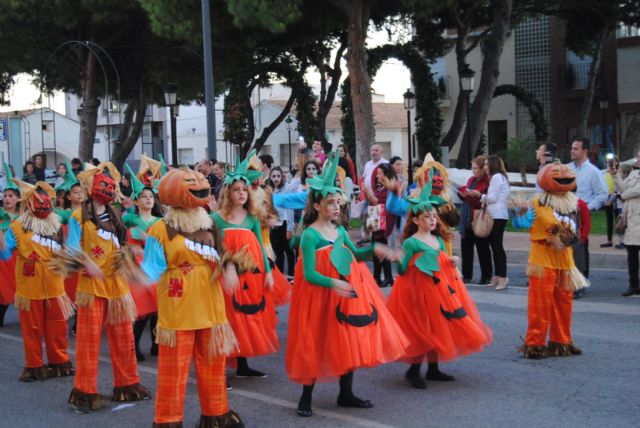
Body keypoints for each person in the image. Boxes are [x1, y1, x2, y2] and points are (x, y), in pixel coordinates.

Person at [285, 153, 408, 417]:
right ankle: (306, 396)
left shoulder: (340, 231)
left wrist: (379, 249)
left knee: (347, 337)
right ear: (317, 206)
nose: (337, 207)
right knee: (315, 340)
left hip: (345, 289)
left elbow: (354, 253)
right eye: (331, 203)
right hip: (319, 294)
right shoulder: (310, 235)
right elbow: (308, 274)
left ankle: (346, 392)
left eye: (338, 202)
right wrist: (333, 284)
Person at [141, 166, 244, 427]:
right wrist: (135, 273)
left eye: (200, 181)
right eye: (191, 182)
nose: (199, 185)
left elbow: (223, 256)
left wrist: (230, 268)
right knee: (173, 372)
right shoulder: (160, 229)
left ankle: (216, 415)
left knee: (213, 367)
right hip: (178, 308)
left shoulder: (209, 222)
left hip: (210, 304)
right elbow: (151, 267)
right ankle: (168, 420)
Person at [388, 174, 492, 388]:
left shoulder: (436, 239)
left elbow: (443, 259)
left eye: (434, 216)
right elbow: (403, 269)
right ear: (416, 220)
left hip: (440, 289)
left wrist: (453, 260)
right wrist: (399, 259)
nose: (432, 220)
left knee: (438, 325)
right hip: (417, 291)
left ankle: (433, 369)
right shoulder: (411, 243)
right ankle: (414, 370)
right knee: (422, 328)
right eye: (427, 217)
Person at [64, 162, 150, 413]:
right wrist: (87, 263)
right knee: (89, 343)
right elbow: (71, 248)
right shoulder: (78, 216)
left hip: (117, 285)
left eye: (111, 185)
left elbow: (120, 245)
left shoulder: (114, 215)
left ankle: (127, 384)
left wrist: (130, 254)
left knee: (124, 337)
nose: (110, 188)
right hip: (91, 286)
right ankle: (85, 393)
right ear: (91, 187)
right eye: (104, 184)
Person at [0, 179, 75, 381]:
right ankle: (34, 365)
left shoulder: (56, 223)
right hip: (30, 283)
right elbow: (6, 253)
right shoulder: (16, 227)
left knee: (58, 326)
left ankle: (59, 361)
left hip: (54, 283)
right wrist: (3, 245)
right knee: (32, 328)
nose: (43, 203)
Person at [212, 151, 277, 379]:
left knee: (245, 318)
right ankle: (218, 368)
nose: (241, 193)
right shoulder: (217, 219)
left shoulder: (251, 218)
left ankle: (243, 365)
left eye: (244, 190)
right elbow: (215, 248)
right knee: (227, 316)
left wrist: (268, 272)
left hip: (252, 276)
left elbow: (259, 245)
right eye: (236, 190)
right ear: (228, 192)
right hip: (227, 274)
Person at [514, 163, 588, 358]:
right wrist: (520, 213)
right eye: (557, 174)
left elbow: (579, 230)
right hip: (542, 259)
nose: (563, 176)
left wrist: (568, 240)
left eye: (566, 174)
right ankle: (535, 343)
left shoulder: (574, 204)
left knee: (564, 302)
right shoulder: (537, 203)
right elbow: (521, 224)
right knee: (540, 303)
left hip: (565, 259)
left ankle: (561, 342)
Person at [121, 165, 164, 362]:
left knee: (158, 306)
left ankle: (156, 344)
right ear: (137, 200)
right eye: (144, 196)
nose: (148, 199)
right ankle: (133, 345)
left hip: (156, 265)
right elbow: (122, 236)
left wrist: (148, 239)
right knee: (142, 309)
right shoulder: (130, 218)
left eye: (151, 197)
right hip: (137, 267)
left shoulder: (159, 221)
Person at [567, 138, 608, 286]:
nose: (572, 151)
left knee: (580, 248)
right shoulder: (566, 169)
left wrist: (587, 207)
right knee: (566, 248)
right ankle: (568, 279)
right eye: (572, 148)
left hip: (580, 214)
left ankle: (581, 281)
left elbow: (603, 194)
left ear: (584, 151)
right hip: (564, 214)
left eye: (576, 149)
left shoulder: (593, 172)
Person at [457, 155, 491, 284]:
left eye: (476, 168)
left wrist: (471, 196)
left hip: (478, 216)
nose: (473, 170)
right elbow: (468, 196)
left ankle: (486, 276)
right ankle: (467, 274)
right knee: (466, 247)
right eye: (472, 168)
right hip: (466, 216)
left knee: (482, 247)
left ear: (483, 168)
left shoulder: (487, 181)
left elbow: (481, 202)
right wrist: (462, 195)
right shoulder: (471, 179)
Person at [481, 155, 510, 290]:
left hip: (497, 215)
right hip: (497, 214)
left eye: (487, 164)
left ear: (493, 165)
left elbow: (492, 198)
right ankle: (497, 276)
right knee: (494, 246)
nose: (485, 167)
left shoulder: (496, 177)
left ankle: (502, 277)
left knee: (497, 246)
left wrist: (480, 196)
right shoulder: (499, 177)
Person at [613, 151, 640, 296]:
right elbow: (624, 187)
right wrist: (615, 175)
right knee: (632, 256)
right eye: (638, 156)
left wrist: (622, 195)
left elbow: (634, 191)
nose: (638, 159)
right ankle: (634, 284)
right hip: (630, 221)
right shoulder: (634, 174)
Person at [368, 163, 397, 287]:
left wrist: (369, 194)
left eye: (380, 173)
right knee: (376, 248)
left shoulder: (389, 188)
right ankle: (378, 276)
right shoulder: (381, 187)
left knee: (381, 248)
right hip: (376, 218)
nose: (377, 176)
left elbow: (380, 202)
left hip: (382, 220)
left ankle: (386, 276)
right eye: (378, 173)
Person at [266, 167, 295, 277]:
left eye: (278, 176)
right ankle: (280, 276)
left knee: (288, 251)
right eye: (273, 176)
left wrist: (290, 227)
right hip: (274, 224)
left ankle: (291, 275)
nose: (276, 179)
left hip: (284, 223)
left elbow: (290, 209)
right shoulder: (269, 190)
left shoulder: (286, 190)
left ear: (282, 177)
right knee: (278, 253)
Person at [0, 167, 20, 327]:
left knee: (14, 287)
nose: (7, 199)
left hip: (15, 258)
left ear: (18, 199)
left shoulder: (22, 219)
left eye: (11, 196)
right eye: (5, 196)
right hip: (1, 258)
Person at [601, 156, 620, 248]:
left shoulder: (619, 173)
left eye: (612, 162)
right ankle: (609, 240)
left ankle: (622, 241)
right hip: (607, 197)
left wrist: (612, 199)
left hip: (617, 198)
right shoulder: (604, 173)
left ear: (617, 163)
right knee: (609, 220)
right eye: (608, 162)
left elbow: (618, 188)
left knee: (619, 220)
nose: (610, 164)